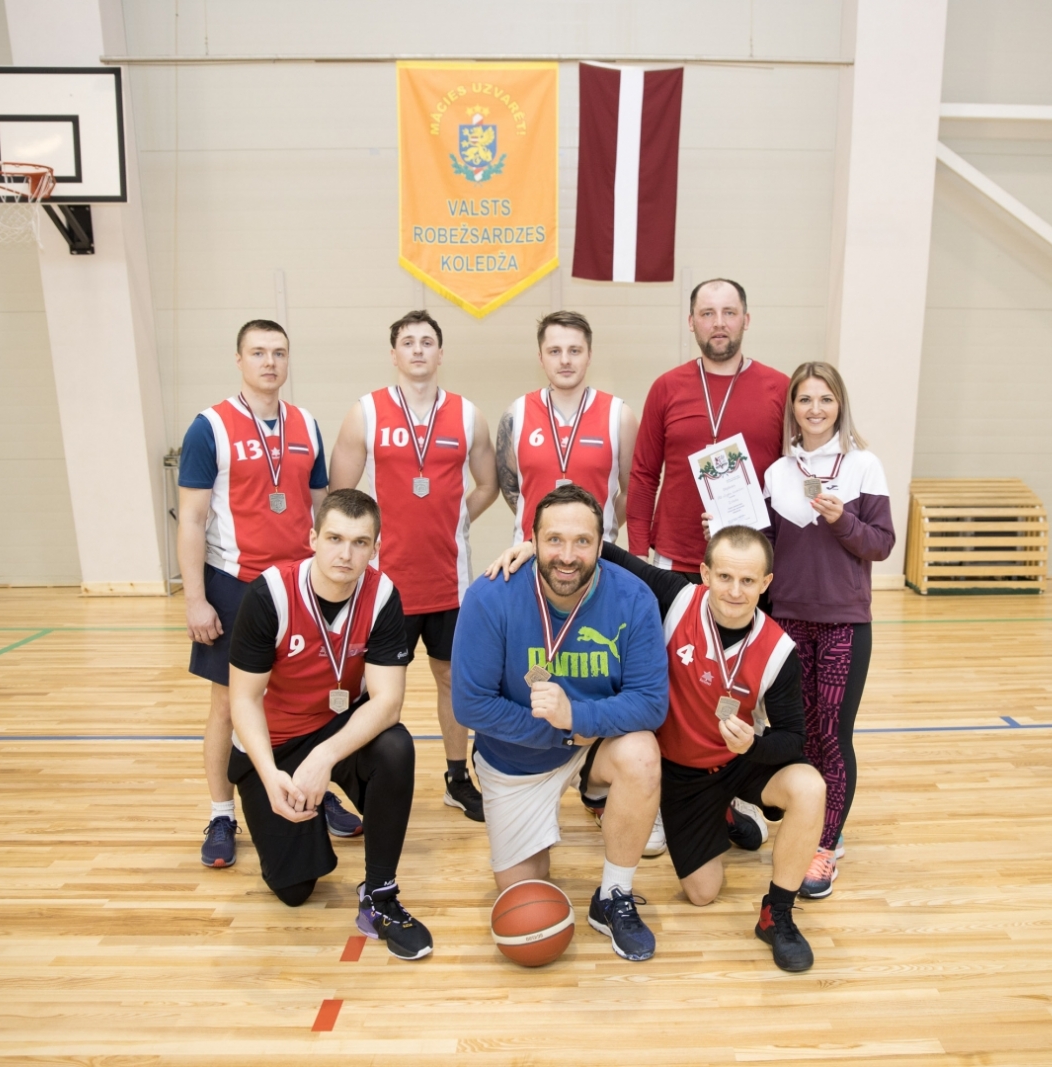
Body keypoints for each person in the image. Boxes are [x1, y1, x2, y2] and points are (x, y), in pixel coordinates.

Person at [487, 525, 827, 973]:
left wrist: (754, 744)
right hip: (681, 775)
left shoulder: (780, 650)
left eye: (748, 581)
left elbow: (794, 739)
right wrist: (538, 546)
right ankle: (721, 815)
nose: (735, 591)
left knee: (808, 785)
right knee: (703, 893)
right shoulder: (678, 596)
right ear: (704, 572)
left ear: (766, 583)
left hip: (737, 760)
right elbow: (606, 553)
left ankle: (777, 915)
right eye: (724, 576)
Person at [451, 485, 670, 962]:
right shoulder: (490, 597)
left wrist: (580, 719)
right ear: (530, 540)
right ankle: (589, 796)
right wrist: (563, 730)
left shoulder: (633, 597)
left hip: (596, 743)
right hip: (517, 759)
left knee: (641, 752)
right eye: (553, 540)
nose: (567, 556)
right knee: (526, 897)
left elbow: (651, 704)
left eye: (582, 541)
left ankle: (613, 895)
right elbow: (470, 705)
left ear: (601, 542)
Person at [177, 318, 360, 870]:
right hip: (236, 585)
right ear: (239, 360)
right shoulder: (209, 427)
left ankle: (312, 788)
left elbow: (322, 506)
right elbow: (191, 518)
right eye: (258, 352)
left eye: (279, 353)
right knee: (227, 705)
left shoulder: (305, 423)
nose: (270, 362)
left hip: (303, 587)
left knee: (302, 700)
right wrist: (194, 598)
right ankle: (220, 813)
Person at [225, 488, 431, 960]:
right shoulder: (269, 594)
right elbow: (244, 700)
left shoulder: (381, 594)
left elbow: (388, 702)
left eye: (361, 542)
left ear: (376, 547)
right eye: (335, 537)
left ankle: (380, 894)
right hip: (272, 743)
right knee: (296, 890)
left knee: (396, 747)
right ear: (312, 537)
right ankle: (300, 808)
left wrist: (324, 756)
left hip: (336, 733)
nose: (346, 553)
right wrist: (267, 772)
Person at [328, 310, 499, 822]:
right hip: (385, 586)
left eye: (428, 342)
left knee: (453, 683)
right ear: (394, 353)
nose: (419, 350)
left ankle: (455, 778)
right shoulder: (367, 412)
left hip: (452, 582)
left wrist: (455, 519)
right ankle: (370, 779)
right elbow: (342, 494)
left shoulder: (468, 414)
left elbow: (488, 483)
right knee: (379, 688)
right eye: (409, 342)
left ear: (441, 353)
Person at [761, 362, 894, 899]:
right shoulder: (777, 472)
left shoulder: (863, 466)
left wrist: (842, 519)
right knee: (799, 736)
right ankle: (803, 825)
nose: (814, 409)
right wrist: (727, 526)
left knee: (832, 738)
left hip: (842, 622)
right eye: (804, 399)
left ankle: (825, 844)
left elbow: (880, 544)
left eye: (825, 399)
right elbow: (768, 547)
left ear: (840, 405)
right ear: (792, 407)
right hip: (787, 622)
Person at [626, 279, 789, 577]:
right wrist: (637, 551)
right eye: (707, 313)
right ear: (691, 322)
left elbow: (792, 477)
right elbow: (644, 474)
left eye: (729, 312)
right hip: (675, 559)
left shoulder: (779, 388)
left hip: (751, 560)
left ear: (746, 320)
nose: (719, 323)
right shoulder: (666, 387)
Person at [495, 310, 638, 545]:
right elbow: (510, 486)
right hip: (530, 554)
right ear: (541, 358)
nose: (565, 360)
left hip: (598, 555)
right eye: (554, 351)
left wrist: (600, 526)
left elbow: (632, 492)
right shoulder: (516, 414)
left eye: (575, 350)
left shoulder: (620, 415)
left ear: (589, 355)